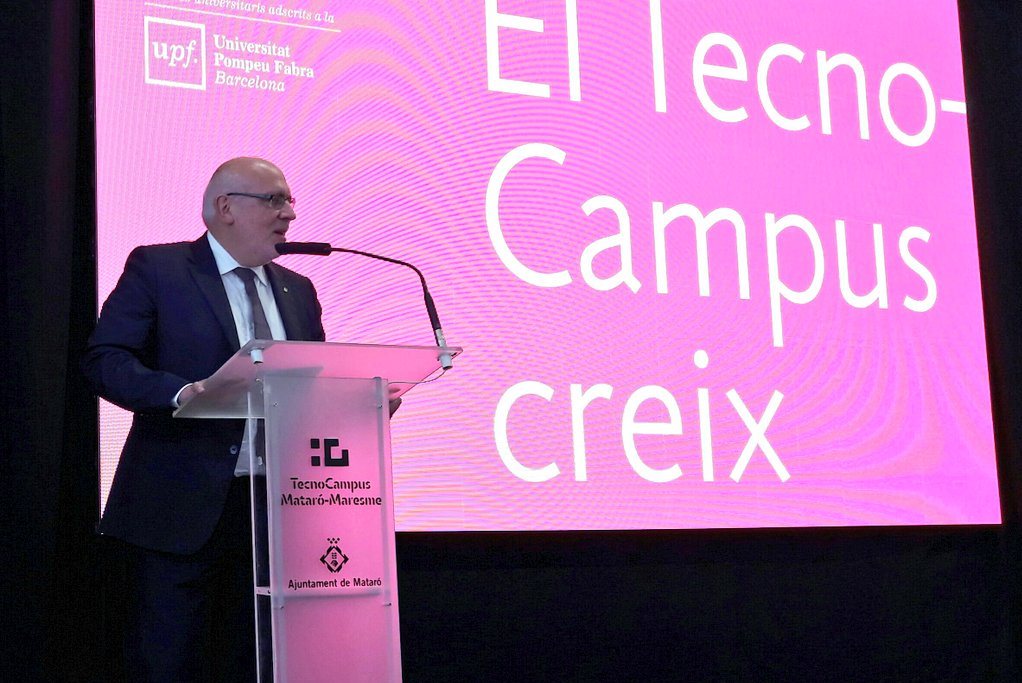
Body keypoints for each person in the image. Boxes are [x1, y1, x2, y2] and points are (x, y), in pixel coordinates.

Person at [82, 157, 324, 682]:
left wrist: (356, 403)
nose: (289, 214)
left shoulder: (298, 289)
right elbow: (106, 361)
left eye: (290, 201)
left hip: (275, 513)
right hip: (179, 509)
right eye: (275, 200)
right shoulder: (160, 269)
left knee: (259, 664)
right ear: (225, 207)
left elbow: (312, 385)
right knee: (169, 662)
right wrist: (182, 392)